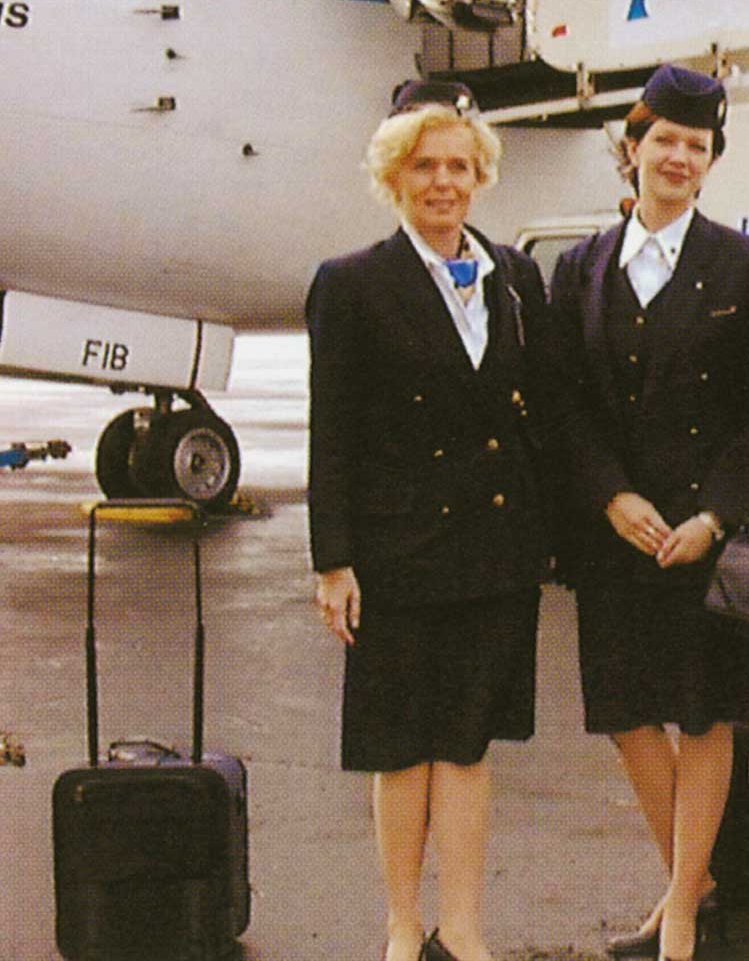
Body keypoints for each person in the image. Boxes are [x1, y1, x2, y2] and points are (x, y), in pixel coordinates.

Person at [307, 79, 559, 961]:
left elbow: (544, 415)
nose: (443, 183)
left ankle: (463, 924)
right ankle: (401, 922)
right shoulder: (351, 284)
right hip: (397, 553)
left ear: (480, 174)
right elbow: (329, 430)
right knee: (399, 749)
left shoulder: (515, 279)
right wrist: (333, 561)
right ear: (395, 176)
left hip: (494, 553)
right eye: (424, 166)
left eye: (458, 165)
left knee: (466, 749)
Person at [546, 66, 749, 961]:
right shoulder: (579, 267)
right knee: (627, 713)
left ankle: (680, 905)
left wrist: (715, 515)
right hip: (618, 533)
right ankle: (701, 879)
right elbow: (562, 403)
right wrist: (611, 496)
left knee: (704, 714)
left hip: (703, 538)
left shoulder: (745, 265)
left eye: (697, 146)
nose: (678, 158)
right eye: (664, 141)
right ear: (631, 148)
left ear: (711, 161)